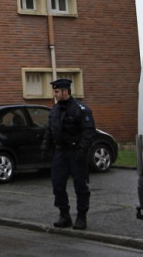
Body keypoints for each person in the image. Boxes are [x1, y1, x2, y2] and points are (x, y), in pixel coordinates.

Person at [41, 78, 96, 230]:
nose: (55, 94)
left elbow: (89, 132)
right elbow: (49, 130)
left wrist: (82, 150)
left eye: (57, 92)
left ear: (66, 91)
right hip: (60, 152)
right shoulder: (55, 110)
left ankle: (81, 216)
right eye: (54, 92)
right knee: (57, 185)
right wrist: (45, 148)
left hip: (76, 152)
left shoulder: (80, 109)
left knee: (80, 186)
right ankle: (64, 215)